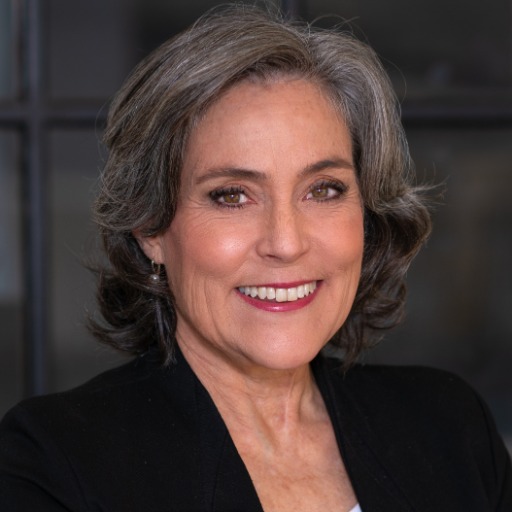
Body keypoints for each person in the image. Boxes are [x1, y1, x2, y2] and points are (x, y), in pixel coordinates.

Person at [1, 5, 511, 511]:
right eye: (232, 196)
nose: (285, 243)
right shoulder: (55, 465)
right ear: (150, 227)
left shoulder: (450, 430)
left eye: (324, 189)